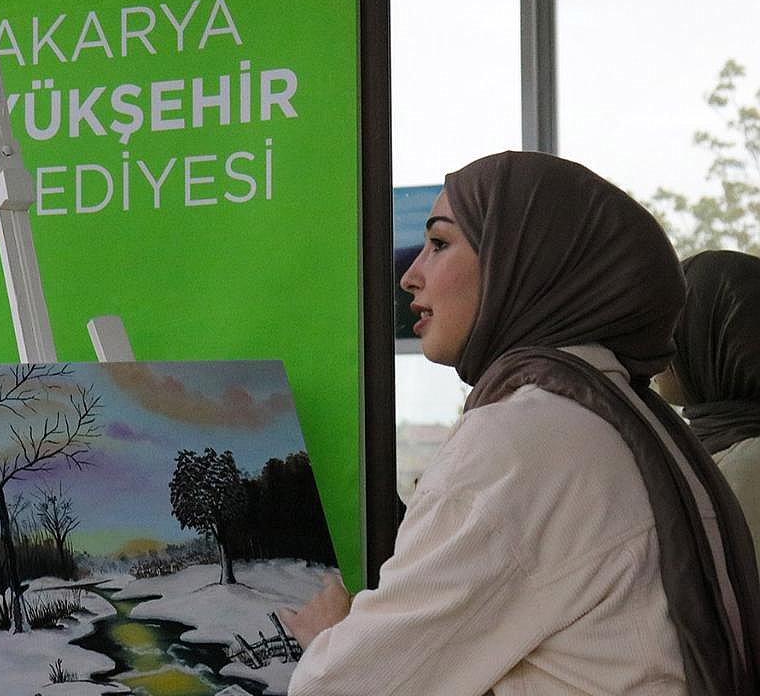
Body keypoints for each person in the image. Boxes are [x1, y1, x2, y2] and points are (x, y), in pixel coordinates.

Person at [281, 152, 760, 695]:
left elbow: (346, 686)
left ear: (521, 262)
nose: (410, 276)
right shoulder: (629, 420)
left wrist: (331, 637)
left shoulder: (522, 439)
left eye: (439, 243)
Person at [655, 249, 760, 570]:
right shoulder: (709, 454)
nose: (651, 349)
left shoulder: (742, 471)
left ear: (715, 336)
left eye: (668, 331)